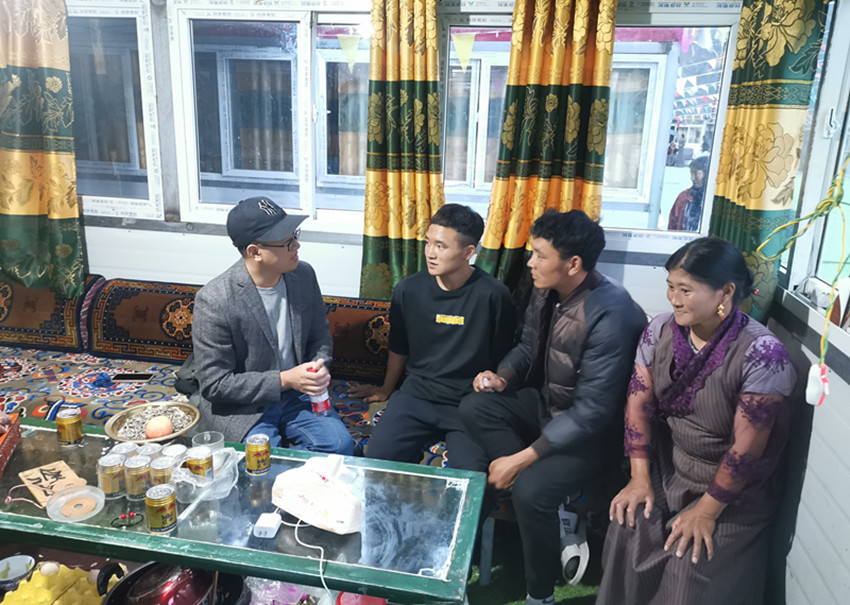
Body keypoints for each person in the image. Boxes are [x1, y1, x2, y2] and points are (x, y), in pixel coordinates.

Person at [459, 210, 646, 605]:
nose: (530, 263)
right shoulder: (547, 288)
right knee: (476, 406)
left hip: (595, 434)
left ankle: (540, 594)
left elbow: (593, 412)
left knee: (531, 490)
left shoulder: (612, 314)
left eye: (540, 255)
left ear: (573, 264)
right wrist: (502, 377)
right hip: (550, 408)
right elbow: (528, 346)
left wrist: (522, 459)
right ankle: (562, 506)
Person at [598, 237, 796, 605]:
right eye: (670, 287)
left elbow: (746, 452)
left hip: (734, 493)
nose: (673, 299)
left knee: (689, 563)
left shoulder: (763, 354)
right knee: (631, 524)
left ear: (726, 292)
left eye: (685, 290)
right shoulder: (659, 330)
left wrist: (706, 511)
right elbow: (638, 405)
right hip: (671, 469)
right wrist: (639, 478)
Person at [350, 203, 516, 468]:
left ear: (468, 252)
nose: (430, 253)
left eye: (441, 246)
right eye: (428, 242)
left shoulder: (494, 295)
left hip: (468, 402)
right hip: (416, 396)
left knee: (471, 473)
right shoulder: (408, 290)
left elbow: (504, 353)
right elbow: (398, 347)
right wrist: (386, 389)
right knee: (377, 463)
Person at [191, 196, 353, 454]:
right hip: (246, 406)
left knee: (340, 446)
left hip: (299, 394)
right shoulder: (215, 299)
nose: (297, 245)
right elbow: (215, 384)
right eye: (287, 242)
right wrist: (284, 379)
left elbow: (319, 335)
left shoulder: (303, 276)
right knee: (262, 463)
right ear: (255, 252)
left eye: (295, 235)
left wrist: (317, 366)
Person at [668, 155, 709, 232]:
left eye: (696, 173)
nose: (692, 178)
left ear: (707, 174)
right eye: (691, 173)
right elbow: (672, 225)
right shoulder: (683, 197)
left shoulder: (713, 200)